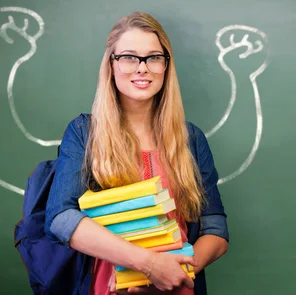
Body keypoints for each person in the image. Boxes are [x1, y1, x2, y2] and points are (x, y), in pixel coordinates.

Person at [44, 11, 229, 295]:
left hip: (178, 287)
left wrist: (175, 273)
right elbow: (60, 218)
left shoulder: (191, 139)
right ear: (111, 65)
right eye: (129, 57)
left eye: (154, 57)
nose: (142, 68)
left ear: (166, 66)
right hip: (107, 289)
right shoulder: (84, 133)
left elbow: (216, 230)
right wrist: (148, 265)